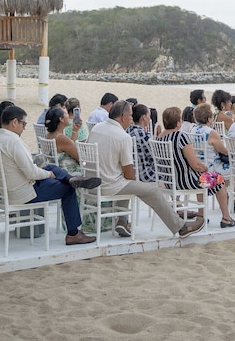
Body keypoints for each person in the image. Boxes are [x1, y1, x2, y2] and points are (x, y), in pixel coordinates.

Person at [86, 100, 204, 239]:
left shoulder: (97, 128)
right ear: (123, 117)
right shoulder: (123, 137)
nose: (131, 119)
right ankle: (181, 227)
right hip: (109, 185)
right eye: (130, 116)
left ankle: (122, 221)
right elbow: (129, 174)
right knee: (151, 190)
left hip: (93, 183)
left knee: (127, 182)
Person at [0, 105, 99, 245]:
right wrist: (48, 174)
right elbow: (31, 173)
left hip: (5, 191)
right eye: (23, 123)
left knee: (50, 166)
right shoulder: (13, 142)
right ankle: (73, 234)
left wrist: (45, 170)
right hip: (24, 193)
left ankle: (70, 179)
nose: (24, 127)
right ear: (15, 122)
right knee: (68, 189)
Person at [156, 107, 235, 228]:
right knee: (218, 179)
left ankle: (201, 215)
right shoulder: (180, 137)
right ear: (178, 123)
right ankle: (226, 217)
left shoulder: (159, 138)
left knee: (206, 177)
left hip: (169, 182)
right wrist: (204, 168)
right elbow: (195, 164)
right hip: (186, 182)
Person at [126, 103, 156, 182]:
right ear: (144, 117)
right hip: (145, 173)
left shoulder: (127, 131)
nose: (150, 118)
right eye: (149, 115)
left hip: (132, 171)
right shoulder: (143, 135)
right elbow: (154, 157)